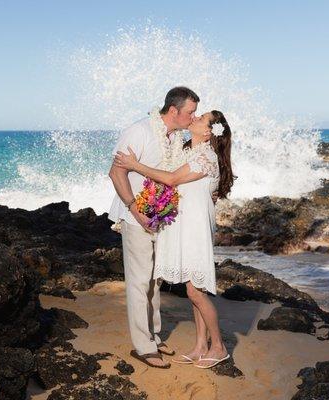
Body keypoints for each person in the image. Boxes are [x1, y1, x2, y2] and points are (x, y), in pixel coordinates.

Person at [113, 110, 234, 368]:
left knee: (195, 290)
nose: (195, 118)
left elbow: (170, 179)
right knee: (193, 290)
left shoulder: (205, 156)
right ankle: (201, 345)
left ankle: (219, 346)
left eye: (200, 118)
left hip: (196, 231)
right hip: (185, 227)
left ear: (208, 132)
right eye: (195, 113)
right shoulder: (189, 149)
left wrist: (134, 165)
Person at [108, 86, 200, 368]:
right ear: (173, 110)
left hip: (161, 217)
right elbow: (116, 171)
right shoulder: (139, 131)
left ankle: (154, 335)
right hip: (135, 214)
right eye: (190, 112)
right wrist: (135, 211)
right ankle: (143, 346)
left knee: (155, 280)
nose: (193, 118)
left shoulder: (177, 137)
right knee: (139, 280)